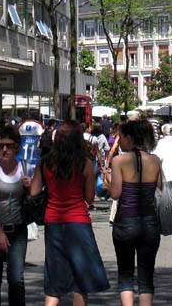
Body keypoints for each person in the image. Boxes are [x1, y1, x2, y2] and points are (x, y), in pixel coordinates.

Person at [30, 121, 110, 305]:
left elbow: (34, 192)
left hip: (53, 221)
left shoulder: (45, 163)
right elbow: (89, 198)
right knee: (80, 281)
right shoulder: (85, 164)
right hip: (78, 221)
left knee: (54, 279)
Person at [104, 121, 161, 306]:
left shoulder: (119, 161)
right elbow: (159, 189)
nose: (118, 141)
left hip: (125, 222)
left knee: (125, 274)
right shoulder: (155, 160)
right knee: (146, 277)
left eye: (121, 137)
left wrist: (109, 180)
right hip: (150, 222)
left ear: (129, 138)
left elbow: (115, 194)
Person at [0, 125, 31, 306]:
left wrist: (29, 186)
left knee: (16, 280)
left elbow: (34, 197)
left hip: (17, 230)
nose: (4, 149)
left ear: (17, 147)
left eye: (9, 145)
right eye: (1, 145)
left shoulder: (25, 167)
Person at [154, 123, 172, 207]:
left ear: (163, 132)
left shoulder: (161, 142)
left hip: (165, 172)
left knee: (165, 195)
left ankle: (168, 215)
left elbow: (157, 157)